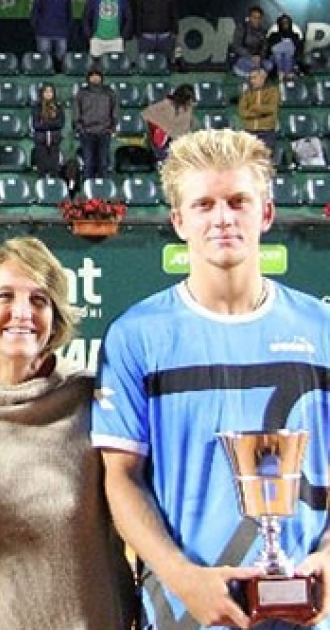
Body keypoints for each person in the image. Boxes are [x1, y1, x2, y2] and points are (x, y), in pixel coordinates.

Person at [92, 128, 330, 630]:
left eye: (238, 201)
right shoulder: (136, 335)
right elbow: (122, 476)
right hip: (184, 611)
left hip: (311, 612)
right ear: (179, 220)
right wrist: (181, 576)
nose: (222, 218)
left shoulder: (323, 330)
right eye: (204, 205)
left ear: (265, 213)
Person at [0, 237, 135, 630]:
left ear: (55, 316)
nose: (22, 313)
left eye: (39, 301)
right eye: (4, 296)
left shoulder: (94, 400)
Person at [73, 68, 118, 180]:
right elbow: (76, 112)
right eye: (92, 75)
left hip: (104, 132)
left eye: (97, 75)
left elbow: (115, 110)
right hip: (87, 133)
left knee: (103, 163)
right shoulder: (81, 93)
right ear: (88, 78)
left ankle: (104, 190)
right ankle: (88, 190)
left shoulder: (109, 92)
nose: (95, 77)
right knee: (88, 163)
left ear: (101, 77)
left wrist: (112, 127)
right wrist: (80, 128)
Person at [141, 84, 198, 162]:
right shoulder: (166, 105)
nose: (191, 102)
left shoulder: (188, 109)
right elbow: (146, 113)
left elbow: (189, 128)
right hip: (163, 146)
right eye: (190, 99)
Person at [238, 68, 279, 153]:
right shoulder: (246, 93)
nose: (252, 81)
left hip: (267, 131)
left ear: (263, 78)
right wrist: (260, 113)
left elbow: (271, 109)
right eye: (251, 78)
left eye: (254, 78)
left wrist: (253, 108)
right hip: (249, 131)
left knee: (265, 157)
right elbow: (243, 112)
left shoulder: (273, 91)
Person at [32, 83, 66, 177]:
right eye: (46, 91)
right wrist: (51, 124)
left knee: (54, 166)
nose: (48, 94)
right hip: (40, 139)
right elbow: (36, 125)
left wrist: (45, 123)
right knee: (41, 166)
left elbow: (60, 123)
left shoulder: (58, 106)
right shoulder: (37, 106)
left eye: (50, 91)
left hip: (55, 139)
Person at [230, 6, 273, 79]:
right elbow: (236, 46)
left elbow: (265, 47)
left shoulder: (263, 30)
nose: (256, 20)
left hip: (258, 60)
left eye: (259, 18)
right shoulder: (242, 27)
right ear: (249, 17)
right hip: (243, 58)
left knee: (269, 65)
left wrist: (260, 57)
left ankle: (252, 74)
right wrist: (250, 56)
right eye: (254, 17)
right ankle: (249, 74)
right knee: (251, 65)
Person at [29, 0, 72, 72]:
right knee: (44, 58)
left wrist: (67, 28)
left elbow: (69, 13)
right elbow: (35, 12)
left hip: (61, 32)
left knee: (61, 56)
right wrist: (37, 28)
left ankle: (59, 75)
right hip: (43, 32)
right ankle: (43, 75)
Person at [135, 0, 178, 66]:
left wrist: (174, 32)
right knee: (145, 67)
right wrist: (138, 34)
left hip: (165, 37)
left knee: (166, 66)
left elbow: (173, 14)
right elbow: (138, 16)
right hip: (146, 38)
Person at [266, 14, 304, 81]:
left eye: (287, 22)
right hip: (275, 58)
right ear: (279, 23)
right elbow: (270, 49)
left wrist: (286, 47)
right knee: (279, 53)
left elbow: (298, 51)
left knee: (287, 53)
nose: (285, 24)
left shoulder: (295, 36)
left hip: (290, 58)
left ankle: (283, 73)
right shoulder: (273, 35)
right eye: (283, 22)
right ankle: (285, 73)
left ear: (290, 23)